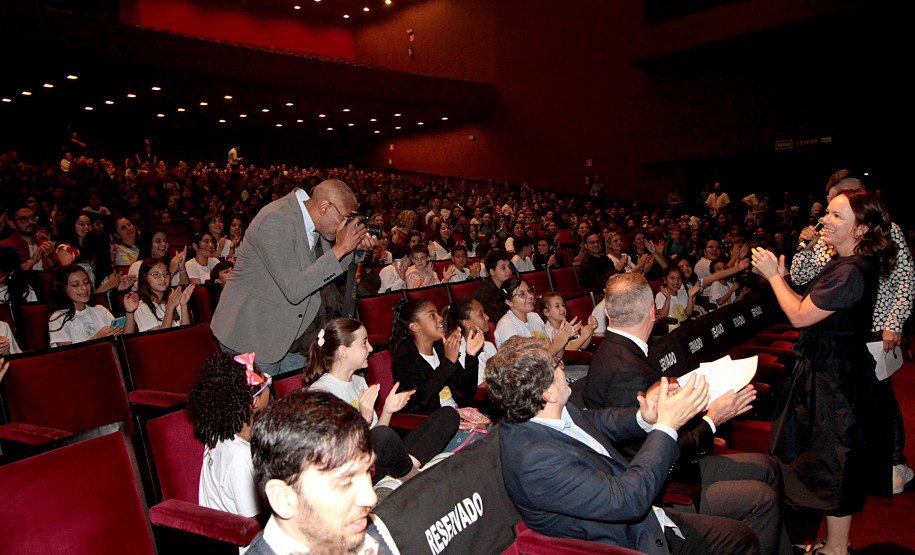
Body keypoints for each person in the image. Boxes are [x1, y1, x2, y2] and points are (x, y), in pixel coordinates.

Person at [489, 336, 762, 554]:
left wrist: (645, 416)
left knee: (740, 535)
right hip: (626, 541)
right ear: (548, 392)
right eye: (557, 364)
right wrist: (667, 425)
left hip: (641, 519)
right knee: (742, 539)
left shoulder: (546, 412)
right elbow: (628, 501)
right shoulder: (535, 461)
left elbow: (599, 421)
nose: (562, 367)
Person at [582, 273, 790, 555]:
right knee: (762, 497)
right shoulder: (625, 369)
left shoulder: (618, 351)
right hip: (660, 482)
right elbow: (657, 451)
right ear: (653, 312)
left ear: (607, 312)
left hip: (667, 462)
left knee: (767, 466)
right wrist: (712, 420)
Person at [752, 189, 896, 555]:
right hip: (831, 371)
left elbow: (800, 314)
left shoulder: (852, 270)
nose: (824, 222)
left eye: (835, 216)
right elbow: (811, 304)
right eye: (826, 214)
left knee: (835, 463)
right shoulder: (849, 261)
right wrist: (784, 278)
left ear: (861, 229)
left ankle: (836, 550)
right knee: (831, 461)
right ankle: (835, 546)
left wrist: (773, 278)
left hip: (835, 380)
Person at [790, 175, 915, 495]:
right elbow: (799, 276)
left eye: (837, 206)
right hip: (836, 337)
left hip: (874, 328)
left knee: (881, 399)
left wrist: (895, 322)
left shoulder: (888, 231)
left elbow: (905, 277)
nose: (828, 215)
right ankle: (853, 465)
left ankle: (894, 462)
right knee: (845, 408)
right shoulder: (823, 235)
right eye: (828, 205)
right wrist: (806, 244)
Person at [211, 179, 376, 373]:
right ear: (325, 207)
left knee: (295, 403)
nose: (346, 226)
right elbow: (295, 289)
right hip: (253, 337)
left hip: (293, 338)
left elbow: (321, 272)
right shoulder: (275, 219)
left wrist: (353, 251)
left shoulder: (315, 224)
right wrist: (341, 248)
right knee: (257, 403)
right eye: (345, 217)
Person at [304, 318, 458, 489]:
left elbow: (378, 433)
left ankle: (403, 471)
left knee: (448, 414)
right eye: (364, 343)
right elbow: (338, 453)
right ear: (343, 351)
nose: (370, 348)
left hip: (379, 459)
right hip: (358, 469)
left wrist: (388, 410)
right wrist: (364, 419)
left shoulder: (359, 382)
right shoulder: (320, 392)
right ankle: (410, 475)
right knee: (384, 437)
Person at [247, 389, 392, 554]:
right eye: (345, 483)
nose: (371, 498)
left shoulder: (368, 531)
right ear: (283, 499)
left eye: (367, 471)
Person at [187, 352, 270, 518]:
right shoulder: (242, 458)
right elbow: (253, 525)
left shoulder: (217, 432)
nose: (269, 383)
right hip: (241, 541)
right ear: (254, 402)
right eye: (267, 380)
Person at [389, 299, 480, 415]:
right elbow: (422, 399)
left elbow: (468, 392)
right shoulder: (404, 359)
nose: (440, 318)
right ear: (415, 327)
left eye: (437, 313)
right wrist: (448, 363)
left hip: (458, 415)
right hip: (433, 424)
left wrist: (471, 356)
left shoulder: (441, 350)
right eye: (432, 315)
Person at [48, 265, 122, 347]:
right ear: (62, 288)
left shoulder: (100, 310)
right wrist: (97, 339)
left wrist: (130, 312)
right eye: (76, 285)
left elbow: (121, 340)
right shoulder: (58, 318)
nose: (84, 288)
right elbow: (67, 355)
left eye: (86, 283)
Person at [124, 258, 194, 332]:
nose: (163, 278)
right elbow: (161, 337)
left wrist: (183, 305)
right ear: (145, 277)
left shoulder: (172, 298)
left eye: (166, 274)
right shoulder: (142, 307)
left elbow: (186, 332)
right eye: (156, 275)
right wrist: (169, 308)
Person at [443, 297, 496, 385]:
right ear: (466, 323)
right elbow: (477, 389)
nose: (487, 317)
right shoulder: (459, 355)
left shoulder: (489, 346)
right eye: (481, 315)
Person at [2, 205, 55, 271]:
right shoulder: (4, 246)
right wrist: (31, 262)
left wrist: (50, 260)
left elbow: (61, 277)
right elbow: (4, 275)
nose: (31, 222)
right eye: (24, 219)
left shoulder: (45, 245)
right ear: (12, 224)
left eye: (32, 217)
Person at [473, 249, 514, 322]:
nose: (509, 271)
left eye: (509, 266)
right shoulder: (483, 292)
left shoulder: (509, 286)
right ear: (492, 271)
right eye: (503, 268)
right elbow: (491, 319)